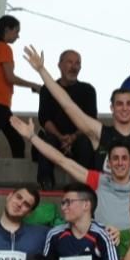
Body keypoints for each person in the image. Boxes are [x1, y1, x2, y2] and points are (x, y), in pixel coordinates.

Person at [11, 116, 130, 233]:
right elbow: (62, 161)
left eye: (124, 158)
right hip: (102, 248)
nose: (120, 162)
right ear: (108, 163)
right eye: (115, 158)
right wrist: (32, 137)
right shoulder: (98, 180)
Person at [23, 46, 130, 175]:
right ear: (111, 108)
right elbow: (67, 104)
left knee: (83, 144)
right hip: (100, 196)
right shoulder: (101, 134)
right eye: (119, 104)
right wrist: (41, 70)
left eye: (129, 104)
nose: (124, 108)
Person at [0, 15, 40, 158]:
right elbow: (10, 77)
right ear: (7, 30)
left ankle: (19, 178)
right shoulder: (4, 49)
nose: (18, 36)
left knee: (17, 142)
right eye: (16, 31)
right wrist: (33, 84)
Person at [34, 49, 97, 190]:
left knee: (87, 142)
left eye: (77, 63)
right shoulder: (47, 89)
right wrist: (61, 137)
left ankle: (81, 186)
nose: (74, 67)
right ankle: (46, 183)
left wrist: (73, 137)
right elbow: (44, 119)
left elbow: (91, 120)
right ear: (59, 65)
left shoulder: (88, 90)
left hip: (79, 137)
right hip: (55, 137)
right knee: (47, 140)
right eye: (70, 62)